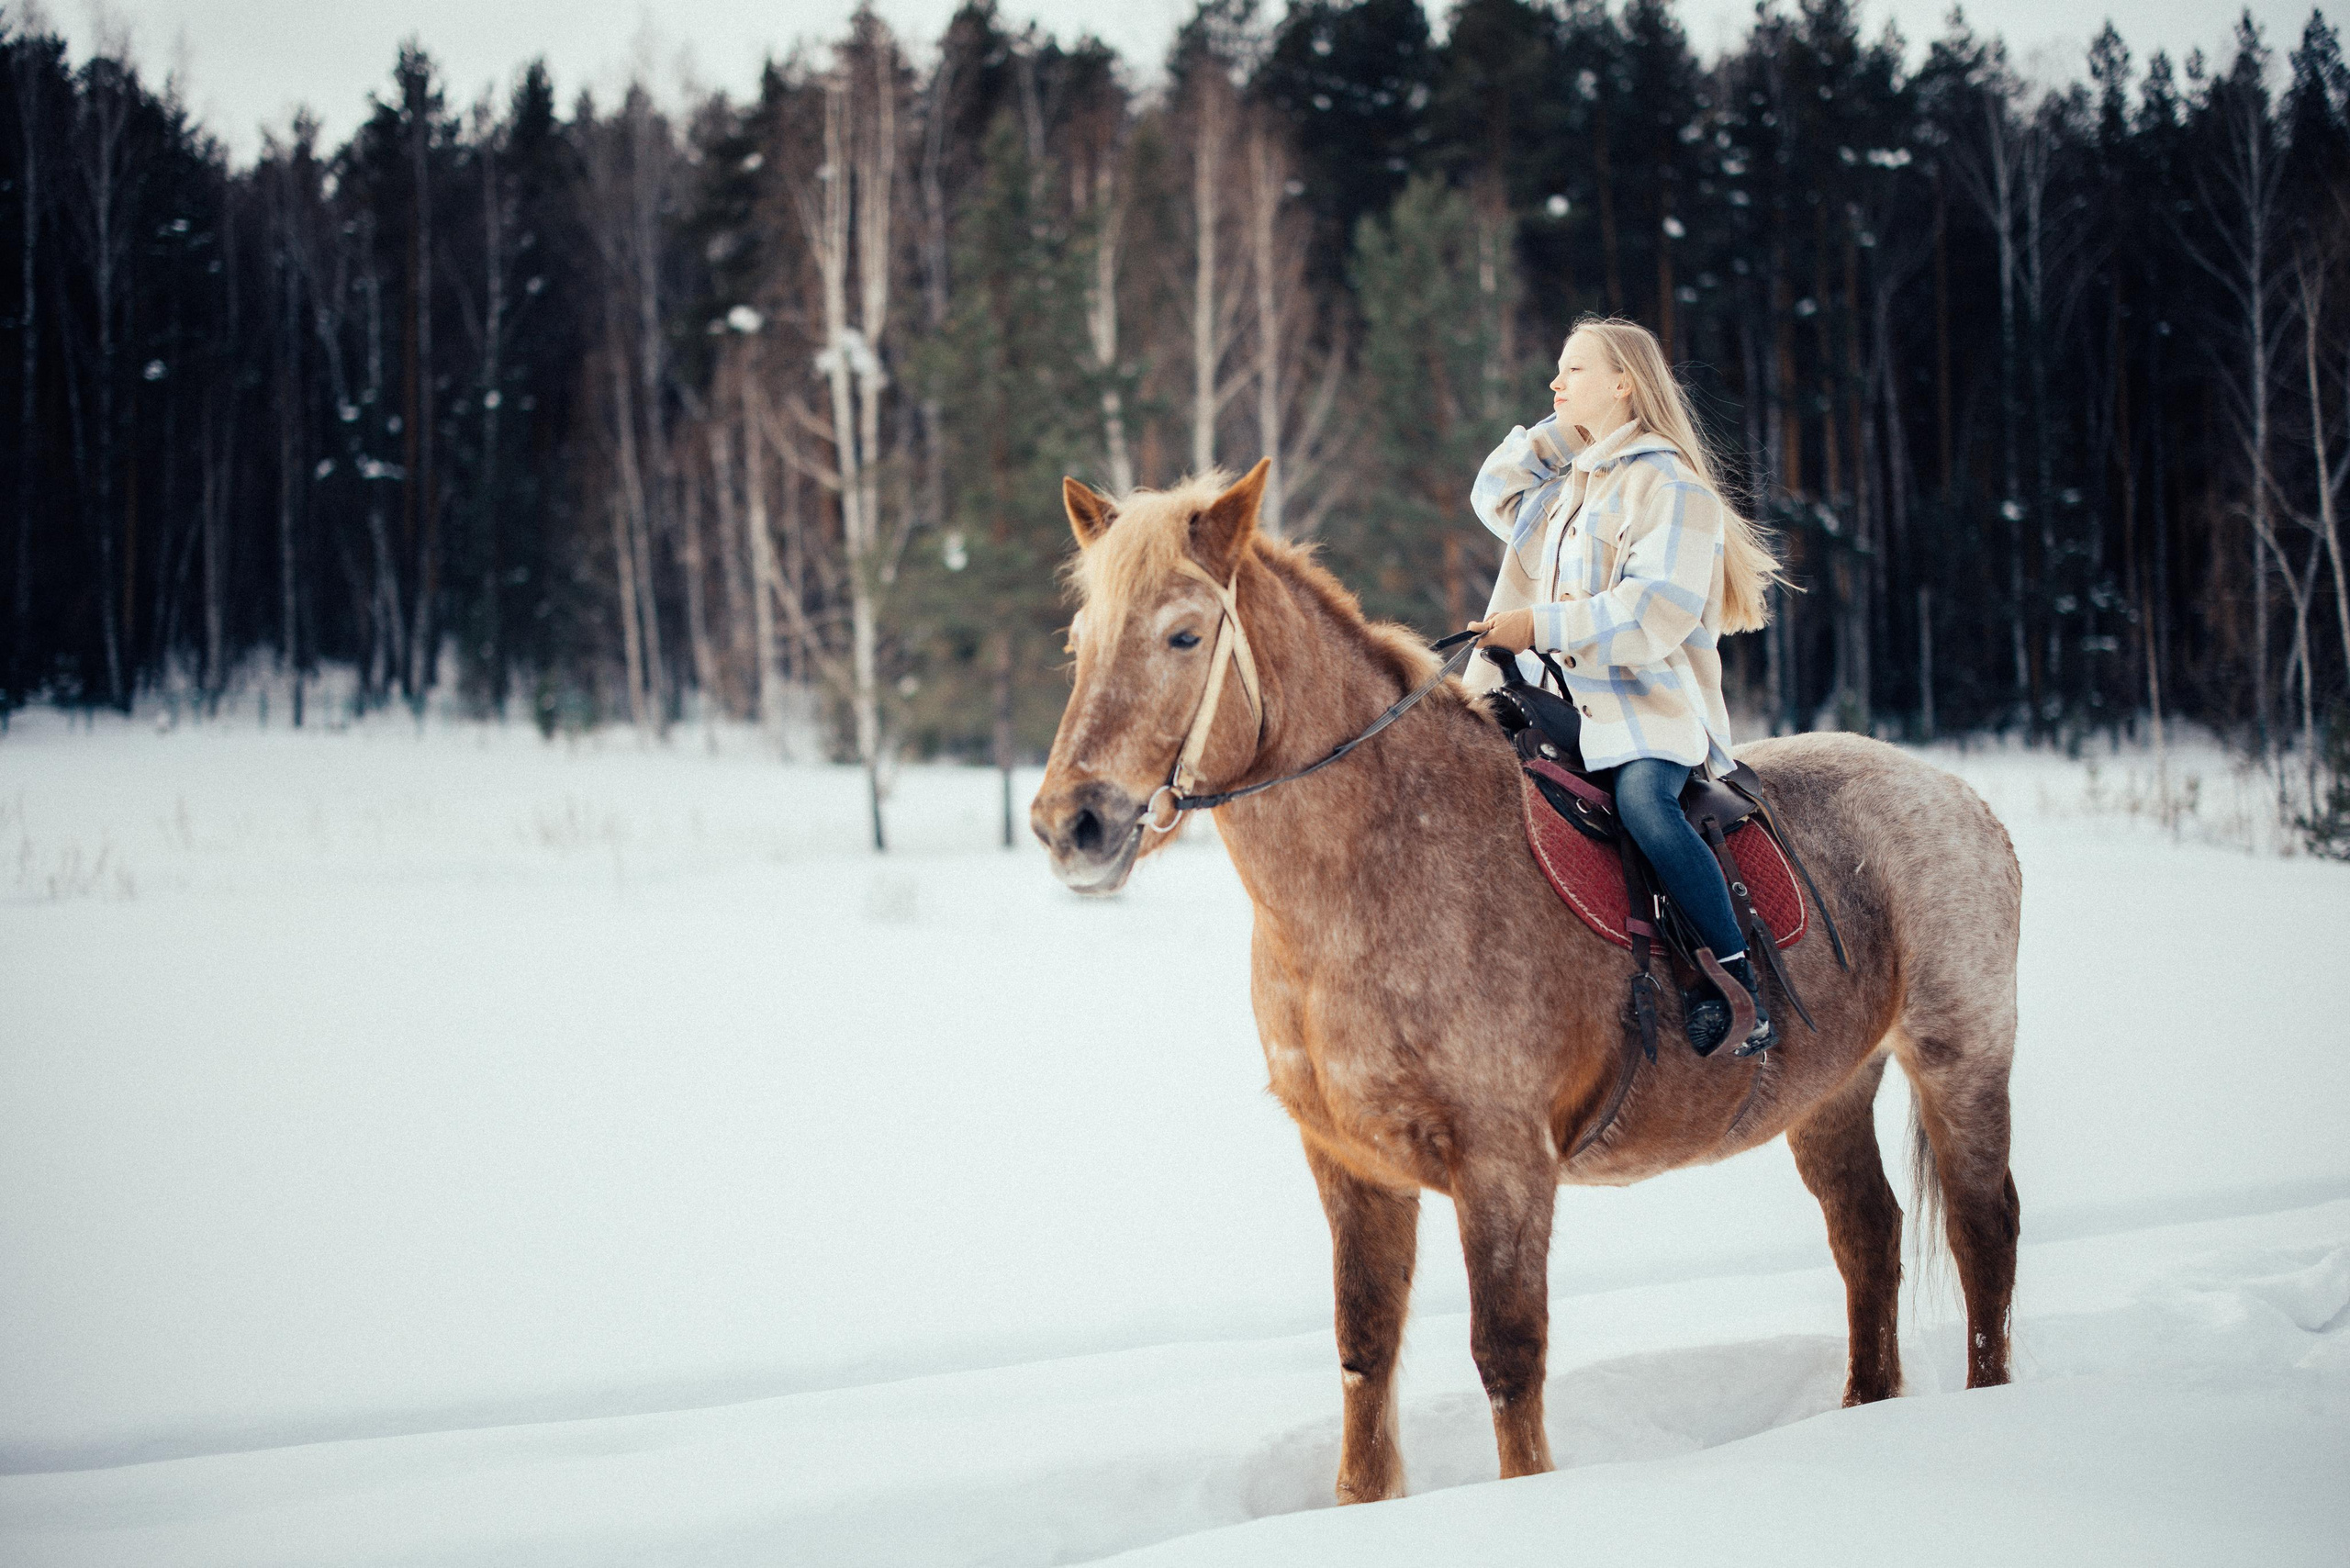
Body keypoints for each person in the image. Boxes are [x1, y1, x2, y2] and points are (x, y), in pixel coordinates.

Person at [1466, 316, 1786, 1057]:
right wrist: (1567, 429)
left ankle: (1738, 981)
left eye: (1573, 371)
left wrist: (1537, 625)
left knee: (1645, 803)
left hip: (1644, 709)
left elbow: (1653, 613)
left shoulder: (1673, 487)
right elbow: (1492, 494)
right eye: (1558, 371)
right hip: (1558, 701)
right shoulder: (1570, 484)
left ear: (1624, 384)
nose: (1554, 384)